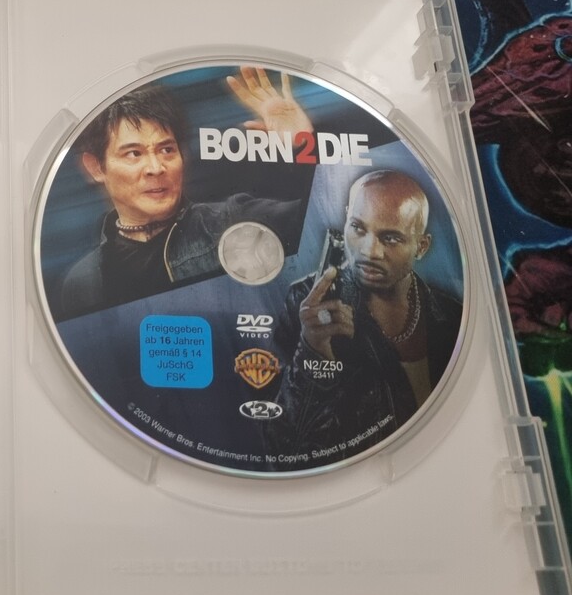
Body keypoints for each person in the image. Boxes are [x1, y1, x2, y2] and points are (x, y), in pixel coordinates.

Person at [58, 66, 314, 319]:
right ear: (96, 167)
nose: (156, 168)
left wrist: (304, 143)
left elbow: (323, 216)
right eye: (134, 153)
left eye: (166, 150)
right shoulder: (82, 282)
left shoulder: (230, 221)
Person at [268, 170, 463, 464]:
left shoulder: (451, 314)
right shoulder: (305, 305)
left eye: (391, 238)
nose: (369, 251)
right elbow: (283, 449)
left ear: (421, 247)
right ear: (346, 220)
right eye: (358, 228)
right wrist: (312, 353)